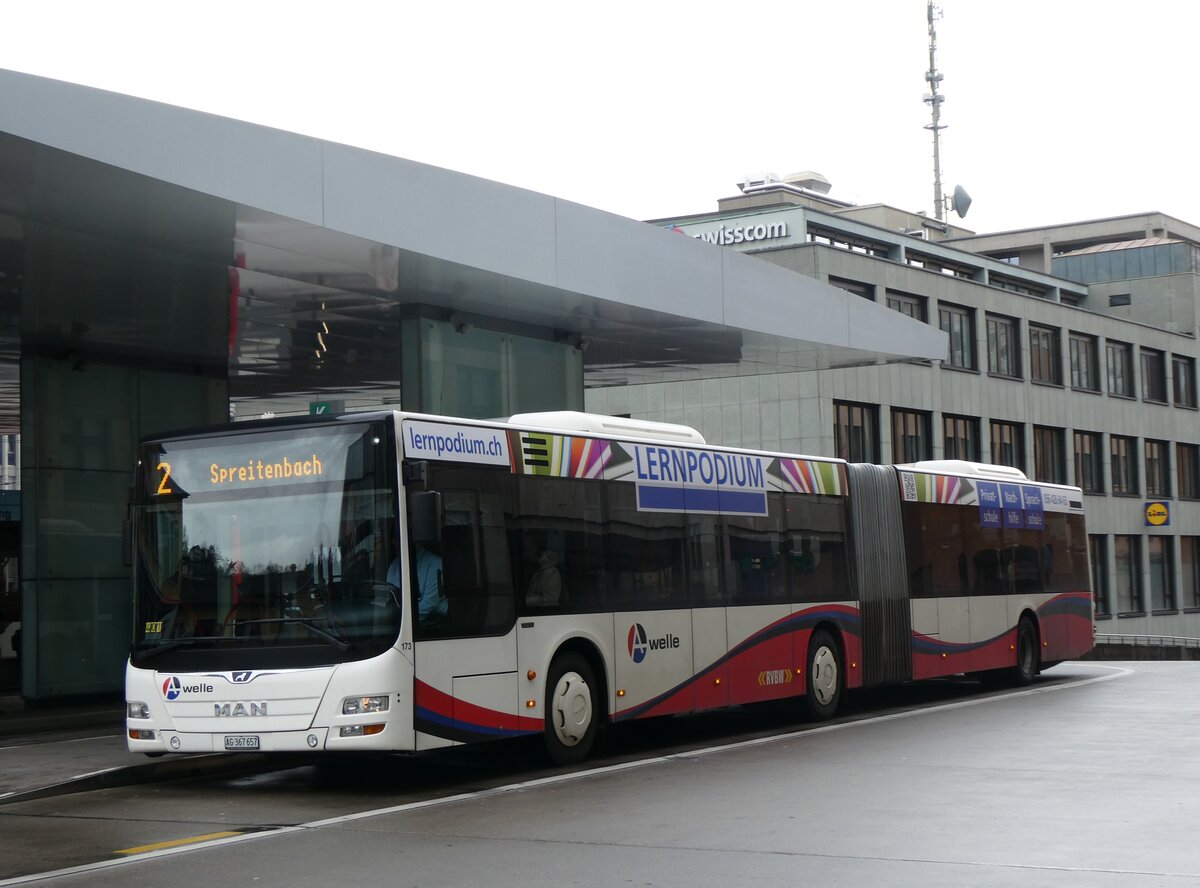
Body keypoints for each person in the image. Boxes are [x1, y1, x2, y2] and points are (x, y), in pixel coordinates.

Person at [389, 543, 447, 625]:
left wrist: (395, 614)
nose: (394, 542)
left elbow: (429, 605)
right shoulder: (394, 565)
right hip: (401, 622)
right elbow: (388, 597)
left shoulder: (435, 564)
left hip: (434, 624)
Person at [524, 535, 562, 607]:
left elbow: (552, 599)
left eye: (529, 549)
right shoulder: (537, 571)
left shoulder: (553, 572)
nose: (527, 553)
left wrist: (529, 600)